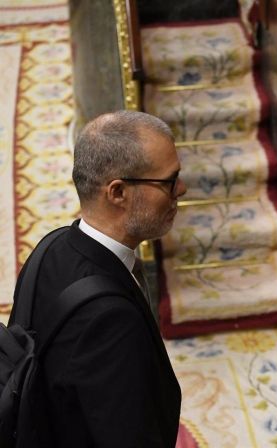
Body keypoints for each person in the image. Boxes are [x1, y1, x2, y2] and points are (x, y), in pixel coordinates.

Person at [9, 110, 186, 447]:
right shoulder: (111, 321)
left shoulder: (51, 245)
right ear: (117, 192)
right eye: (169, 181)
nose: (182, 189)